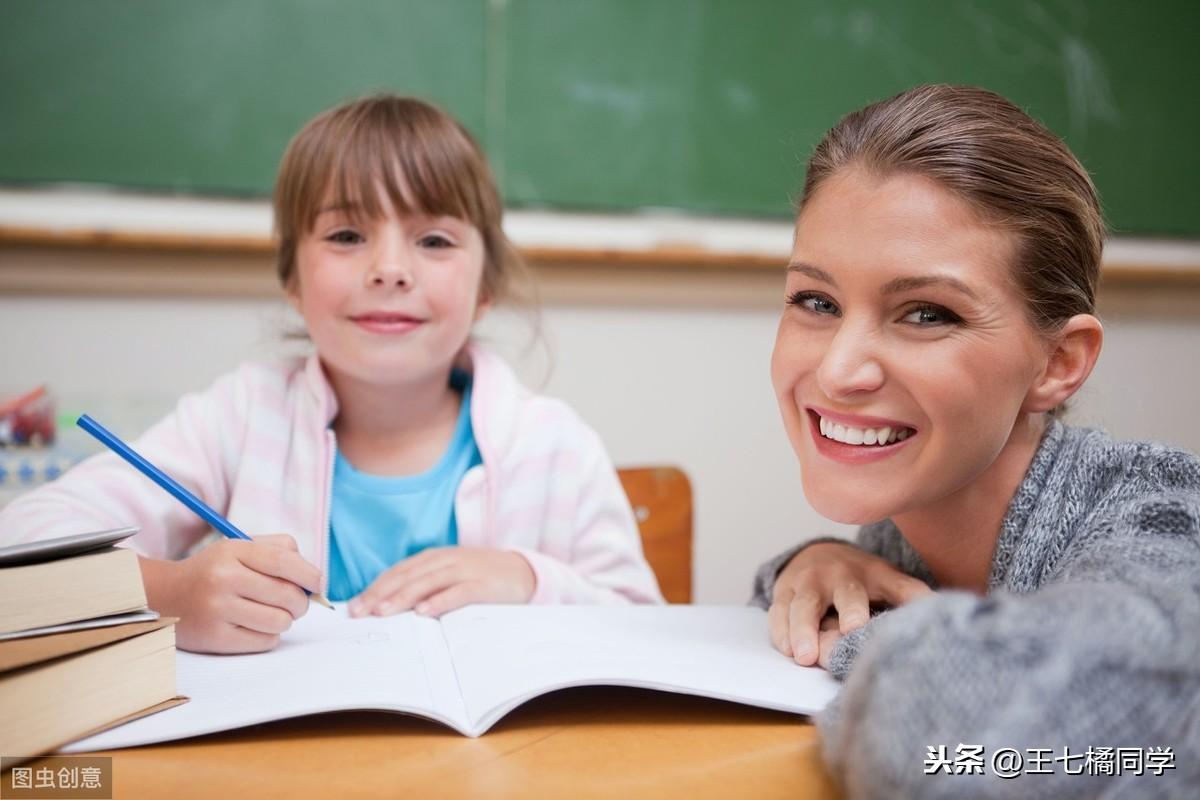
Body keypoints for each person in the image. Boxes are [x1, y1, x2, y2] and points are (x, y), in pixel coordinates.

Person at [1, 95, 663, 654]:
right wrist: (172, 594)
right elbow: (23, 542)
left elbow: (645, 627)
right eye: (347, 236)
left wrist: (528, 580)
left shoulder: (553, 444)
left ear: (485, 287)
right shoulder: (241, 415)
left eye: (433, 240)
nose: (390, 269)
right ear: (292, 278)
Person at [750, 84, 1200, 797]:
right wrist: (810, 564)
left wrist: (869, 642)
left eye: (926, 313)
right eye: (817, 302)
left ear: (1058, 363)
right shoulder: (901, 535)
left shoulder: (1167, 524)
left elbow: (972, 745)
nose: (838, 372)